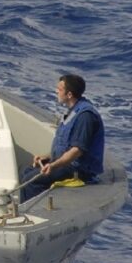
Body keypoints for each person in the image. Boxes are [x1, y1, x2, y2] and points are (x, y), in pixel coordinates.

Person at [19, 74, 105, 202]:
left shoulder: (85, 117)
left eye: (59, 89)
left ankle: (34, 210)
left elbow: (77, 150)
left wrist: (53, 165)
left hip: (78, 170)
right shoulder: (73, 111)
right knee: (26, 171)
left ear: (69, 94)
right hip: (67, 164)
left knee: (31, 181)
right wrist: (47, 158)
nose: (56, 92)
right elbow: (65, 145)